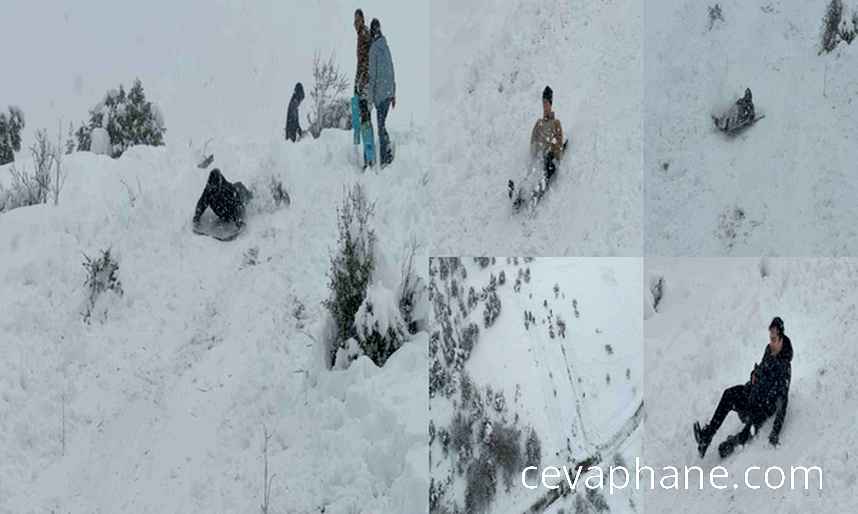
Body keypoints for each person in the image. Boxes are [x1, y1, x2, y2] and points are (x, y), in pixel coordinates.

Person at [694, 317, 793, 458]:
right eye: (770, 338)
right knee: (729, 394)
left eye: (774, 339)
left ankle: (732, 443)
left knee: (750, 429)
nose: (770, 342)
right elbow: (760, 369)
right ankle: (706, 437)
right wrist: (754, 374)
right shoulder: (769, 350)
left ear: (781, 339)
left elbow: (783, 403)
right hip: (751, 395)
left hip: (762, 409)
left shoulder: (784, 368)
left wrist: (775, 433)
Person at [367, 18, 396, 167]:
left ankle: (386, 157)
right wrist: (393, 93)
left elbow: (372, 77)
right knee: (382, 125)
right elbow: (391, 69)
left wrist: (370, 100)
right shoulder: (385, 46)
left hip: (380, 95)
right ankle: (387, 154)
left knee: (380, 127)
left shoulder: (373, 49)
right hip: (388, 92)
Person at [530, 86, 565, 183]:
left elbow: (559, 144)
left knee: (547, 162)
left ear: (550, 104)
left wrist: (553, 152)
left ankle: (541, 183)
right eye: (543, 103)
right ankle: (522, 191)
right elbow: (533, 142)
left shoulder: (556, 123)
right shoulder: (538, 123)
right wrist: (535, 153)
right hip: (539, 157)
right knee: (533, 170)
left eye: (546, 103)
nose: (544, 106)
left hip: (549, 158)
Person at [354, 8, 375, 168]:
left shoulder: (364, 34)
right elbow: (360, 63)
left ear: (362, 19)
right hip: (362, 82)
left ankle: (370, 160)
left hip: (366, 83)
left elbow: (366, 61)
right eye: (355, 20)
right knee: (364, 118)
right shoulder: (361, 34)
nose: (356, 23)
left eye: (358, 19)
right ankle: (368, 158)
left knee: (365, 118)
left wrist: (362, 80)